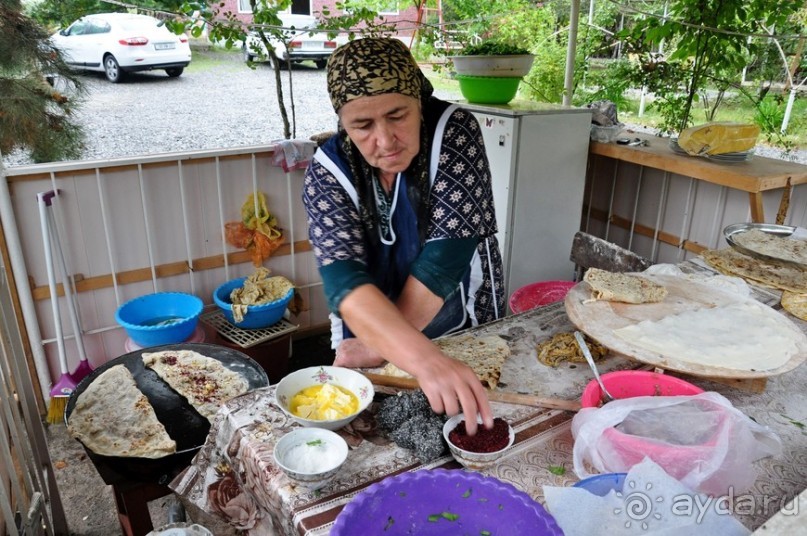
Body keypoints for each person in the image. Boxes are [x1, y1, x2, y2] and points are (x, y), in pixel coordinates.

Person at [302, 37, 505, 434]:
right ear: (343, 123)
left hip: (457, 308)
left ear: (419, 100)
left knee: (470, 416)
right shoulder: (327, 170)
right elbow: (345, 281)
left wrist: (402, 353)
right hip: (371, 322)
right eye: (362, 125)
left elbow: (441, 265)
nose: (385, 140)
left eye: (397, 115)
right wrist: (393, 349)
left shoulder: (453, 133)